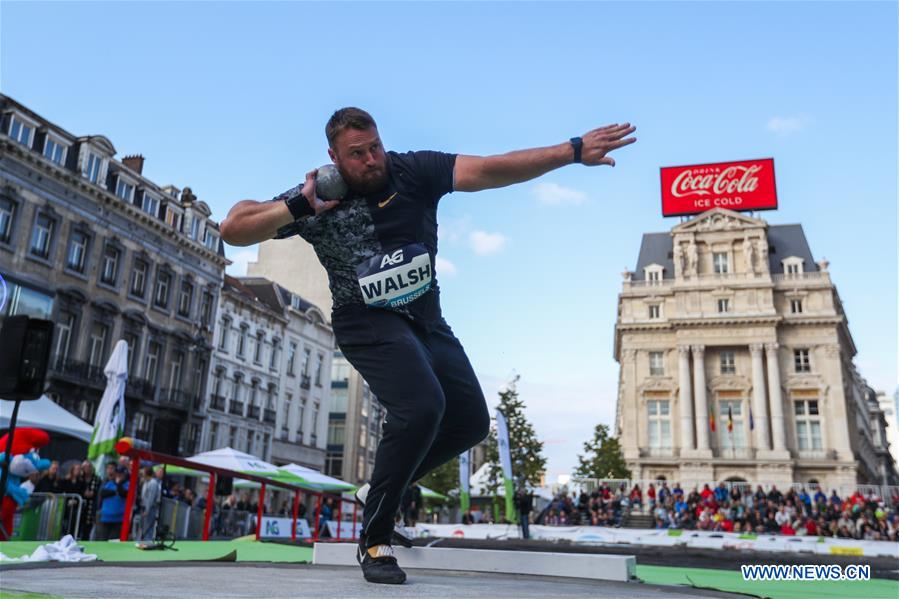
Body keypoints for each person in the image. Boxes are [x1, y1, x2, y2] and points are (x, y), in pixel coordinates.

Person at [220, 108, 636, 585]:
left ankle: (380, 490)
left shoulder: (413, 170)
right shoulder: (319, 197)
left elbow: (491, 169)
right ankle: (374, 540)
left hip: (426, 321)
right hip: (364, 320)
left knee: (469, 423)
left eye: (375, 147)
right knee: (421, 407)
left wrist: (573, 151)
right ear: (334, 157)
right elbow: (234, 227)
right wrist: (298, 206)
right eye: (357, 154)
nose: (372, 160)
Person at [96, 465, 130, 540]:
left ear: (125, 474)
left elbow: (123, 493)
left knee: (114, 540)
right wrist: (115, 492)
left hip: (119, 519)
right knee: (102, 539)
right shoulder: (109, 483)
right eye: (117, 473)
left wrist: (119, 484)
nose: (118, 475)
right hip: (106, 517)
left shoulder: (127, 484)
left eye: (121, 473)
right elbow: (103, 493)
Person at [139, 466, 161, 541]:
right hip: (144, 507)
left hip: (150, 508)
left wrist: (147, 510)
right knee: (143, 527)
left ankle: (147, 541)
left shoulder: (153, 483)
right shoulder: (146, 482)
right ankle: (143, 540)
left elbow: (151, 498)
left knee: (148, 528)